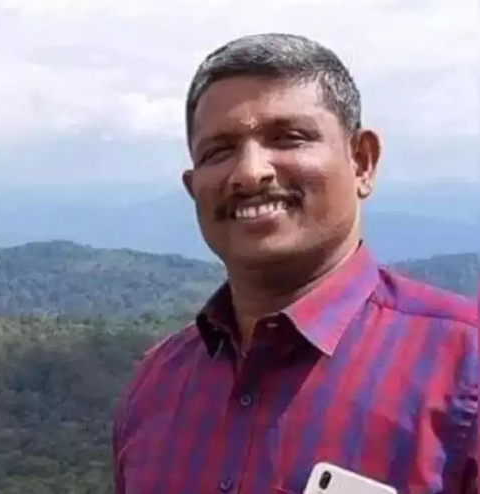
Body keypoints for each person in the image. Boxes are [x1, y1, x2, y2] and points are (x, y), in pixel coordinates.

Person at [111, 33, 477, 494]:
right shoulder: (155, 385)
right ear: (193, 188)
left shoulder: (465, 366)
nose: (250, 172)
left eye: (288, 138)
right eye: (218, 151)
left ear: (362, 162)